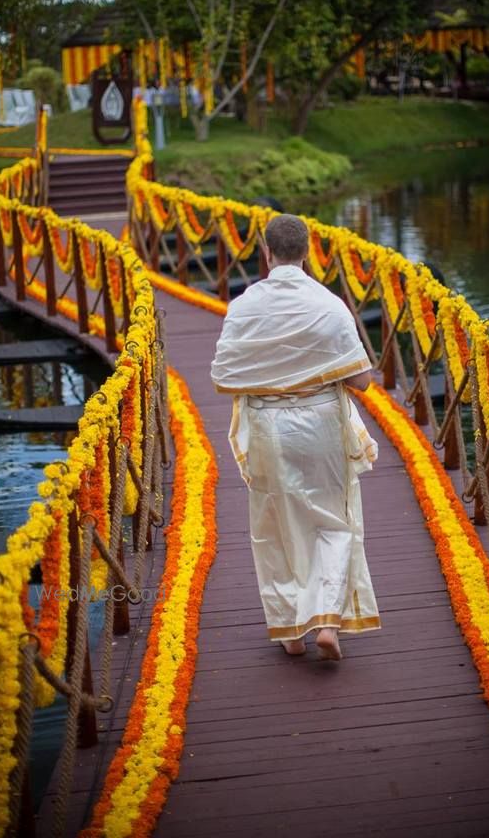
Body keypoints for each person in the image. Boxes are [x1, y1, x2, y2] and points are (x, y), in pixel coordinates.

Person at [210, 214, 380, 660]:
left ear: (266, 252)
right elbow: (362, 381)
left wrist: (272, 373)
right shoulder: (329, 305)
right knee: (333, 522)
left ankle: (290, 629)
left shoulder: (244, 306)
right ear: (308, 252)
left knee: (275, 524)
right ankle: (326, 619)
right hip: (322, 422)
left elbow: (223, 376)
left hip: (268, 428)